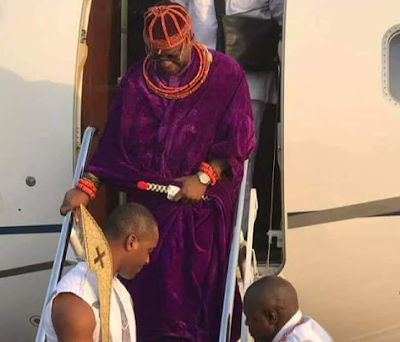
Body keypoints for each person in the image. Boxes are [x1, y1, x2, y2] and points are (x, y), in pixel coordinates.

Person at [60, 2, 255, 342]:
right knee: (148, 292)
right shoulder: (137, 80)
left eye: (172, 53)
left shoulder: (226, 74)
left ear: (190, 37)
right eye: (157, 54)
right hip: (150, 205)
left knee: (189, 298)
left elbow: (240, 142)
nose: (165, 61)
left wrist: (204, 177)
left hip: (201, 201)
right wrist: (87, 185)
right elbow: (113, 145)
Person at [172, 0, 285, 258]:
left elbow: (285, 18)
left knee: (241, 166)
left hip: (249, 81)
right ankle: (198, 240)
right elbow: (175, 16)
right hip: (199, 82)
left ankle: (236, 243)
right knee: (194, 162)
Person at [44, 203, 159, 342]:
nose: (147, 260)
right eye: (149, 251)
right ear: (131, 242)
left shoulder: (121, 292)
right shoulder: (76, 303)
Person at [243, 276, 334, 342]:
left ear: (271, 317)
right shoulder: (306, 325)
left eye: (250, 317)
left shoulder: (298, 339)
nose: (247, 323)